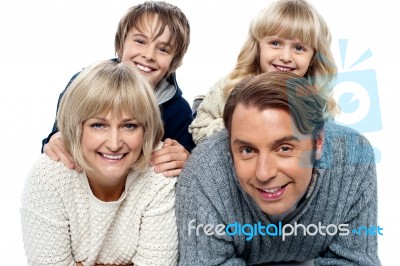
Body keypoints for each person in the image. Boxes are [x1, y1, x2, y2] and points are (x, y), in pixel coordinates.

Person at [176, 71, 380, 265]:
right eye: (248, 150)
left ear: (318, 142)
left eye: (284, 148)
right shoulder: (203, 172)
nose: (264, 173)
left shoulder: (354, 158)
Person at [22, 61, 178, 265]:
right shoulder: (49, 176)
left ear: (146, 130)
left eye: (129, 126)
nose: (114, 144)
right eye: (98, 125)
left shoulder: (160, 171)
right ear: (76, 128)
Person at [42, 1, 194, 177]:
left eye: (163, 49)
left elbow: (185, 170)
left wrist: (186, 159)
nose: (148, 55)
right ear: (120, 45)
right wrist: (55, 140)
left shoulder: (179, 111)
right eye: (140, 41)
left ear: (174, 62)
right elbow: (57, 136)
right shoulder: (82, 85)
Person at [189, 0, 338, 145]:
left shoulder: (318, 99)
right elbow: (198, 128)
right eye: (275, 43)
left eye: (298, 48)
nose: (285, 57)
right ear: (258, 46)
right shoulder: (229, 87)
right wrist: (238, 128)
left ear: (313, 56)